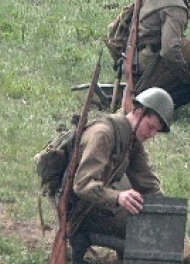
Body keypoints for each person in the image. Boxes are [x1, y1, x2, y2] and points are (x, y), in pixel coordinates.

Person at [69, 87, 173, 263]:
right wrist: (119, 197)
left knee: (153, 220)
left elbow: (147, 183)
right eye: (150, 127)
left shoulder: (132, 140)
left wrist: (167, 213)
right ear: (138, 113)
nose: (152, 134)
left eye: (156, 131)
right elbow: (82, 185)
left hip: (98, 202)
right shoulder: (103, 134)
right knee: (141, 225)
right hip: (82, 209)